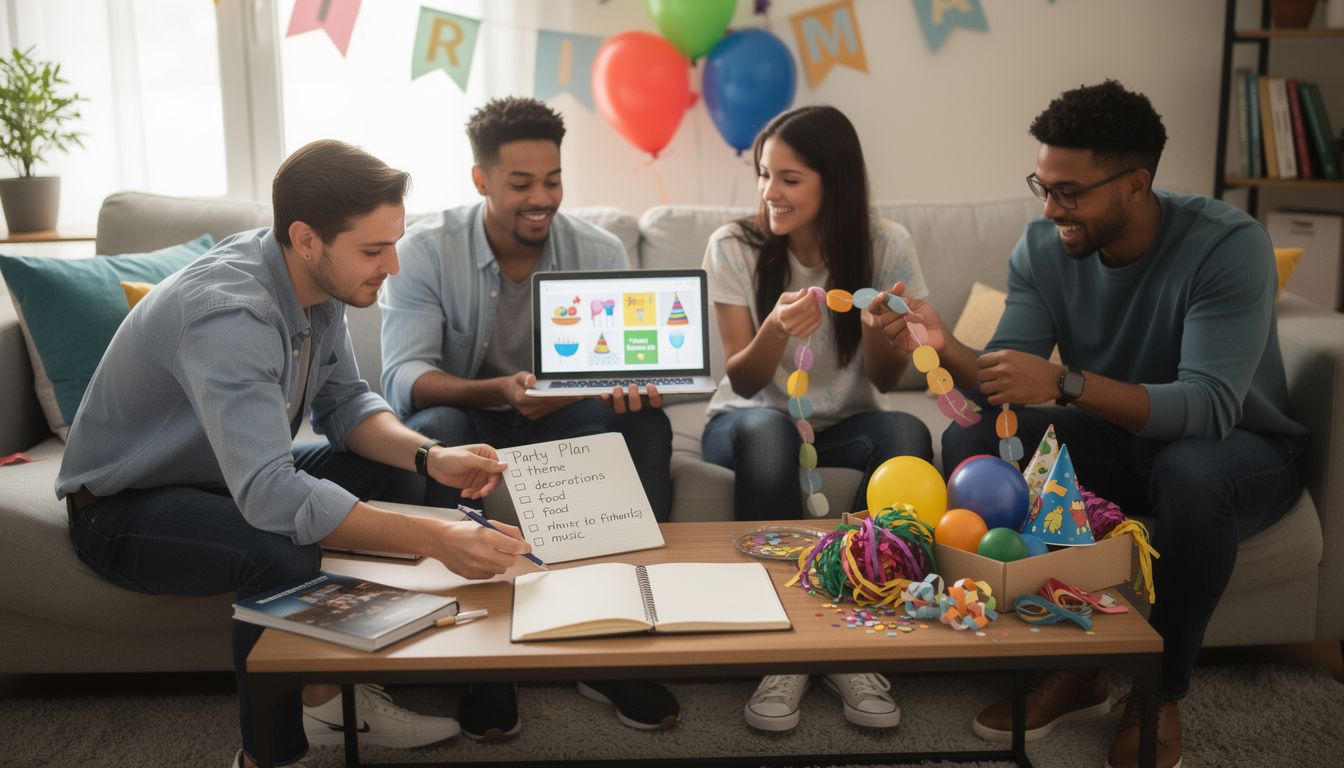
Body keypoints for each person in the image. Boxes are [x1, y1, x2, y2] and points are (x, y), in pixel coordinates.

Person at [56, 140, 529, 768]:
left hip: (223, 478)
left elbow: (347, 405)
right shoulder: (228, 310)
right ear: (306, 238)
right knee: (281, 545)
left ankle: (327, 700)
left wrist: (430, 456)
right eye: (372, 249)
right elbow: (271, 494)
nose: (392, 264)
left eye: (394, 242)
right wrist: (435, 540)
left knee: (392, 472)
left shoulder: (316, 280)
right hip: (123, 507)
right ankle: (270, 756)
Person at [879, 81, 1307, 768]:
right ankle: (1076, 663)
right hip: (1123, 442)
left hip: (1240, 450)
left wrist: (1067, 383)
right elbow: (1004, 384)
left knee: (1188, 469)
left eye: (1069, 192)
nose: (1051, 209)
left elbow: (1207, 407)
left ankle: (1156, 691)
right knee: (972, 440)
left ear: (1136, 185)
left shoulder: (1228, 245)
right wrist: (944, 345)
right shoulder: (1043, 247)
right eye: (1042, 186)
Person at [379, 96, 679, 740]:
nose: (542, 197)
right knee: (439, 425)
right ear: (481, 180)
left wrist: (630, 387)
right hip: (475, 426)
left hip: (561, 421)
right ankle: (481, 661)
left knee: (644, 426)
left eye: (554, 179)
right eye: (521, 183)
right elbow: (402, 380)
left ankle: (615, 639)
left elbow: (625, 365)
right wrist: (501, 391)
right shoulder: (427, 250)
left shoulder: (597, 251)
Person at [700, 105, 934, 732]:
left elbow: (887, 381)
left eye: (789, 178)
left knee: (908, 434)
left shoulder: (888, 246)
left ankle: (853, 638)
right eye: (762, 174)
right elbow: (743, 379)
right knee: (771, 434)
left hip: (846, 419)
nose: (769, 193)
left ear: (836, 182)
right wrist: (775, 328)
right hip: (749, 419)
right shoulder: (734, 246)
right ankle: (786, 644)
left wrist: (885, 329)